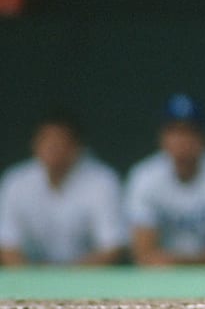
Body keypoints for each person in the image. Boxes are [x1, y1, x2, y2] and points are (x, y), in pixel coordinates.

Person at [125, 92, 205, 266]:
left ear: (204, 137)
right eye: (174, 131)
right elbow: (143, 252)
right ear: (162, 137)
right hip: (164, 279)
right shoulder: (144, 176)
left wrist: (176, 261)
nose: (182, 140)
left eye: (190, 132)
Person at [0, 107, 127, 266]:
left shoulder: (103, 181)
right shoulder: (16, 181)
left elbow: (112, 248)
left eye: (60, 141)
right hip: (30, 279)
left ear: (77, 147)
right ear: (34, 144)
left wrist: (63, 275)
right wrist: (33, 278)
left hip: (86, 280)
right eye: (45, 140)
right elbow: (7, 244)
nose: (51, 147)